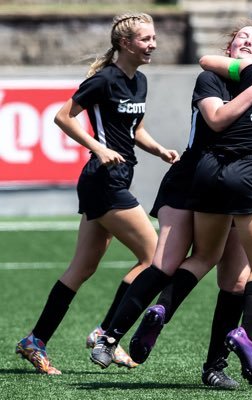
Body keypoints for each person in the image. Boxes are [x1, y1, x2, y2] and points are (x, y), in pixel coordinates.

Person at [89, 22, 252, 387]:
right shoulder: (212, 79)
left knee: (235, 279)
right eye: (240, 39)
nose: (246, 43)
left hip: (234, 184)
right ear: (230, 49)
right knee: (166, 261)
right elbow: (216, 118)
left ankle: (214, 366)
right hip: (192, 178)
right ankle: (110, 338)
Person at [132, 30, 252, 389]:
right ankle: (247, 336)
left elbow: (208, 60)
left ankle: (163, 309)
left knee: (205, 255)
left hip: (208, 171)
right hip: (250, 176)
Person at [15, 12, 179, 375]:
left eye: (153, 38)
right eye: (145, 39)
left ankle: (34, 341)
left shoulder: (140, 82)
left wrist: (160, 150)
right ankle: (107, 334)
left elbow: (135, 128)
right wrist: (98, 148)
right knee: (155, 259)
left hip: (116, 179)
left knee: (82, 268)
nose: (153, 44)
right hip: (103, 180)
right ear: (125, 43)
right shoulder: (104, 79)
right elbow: (63, 116)